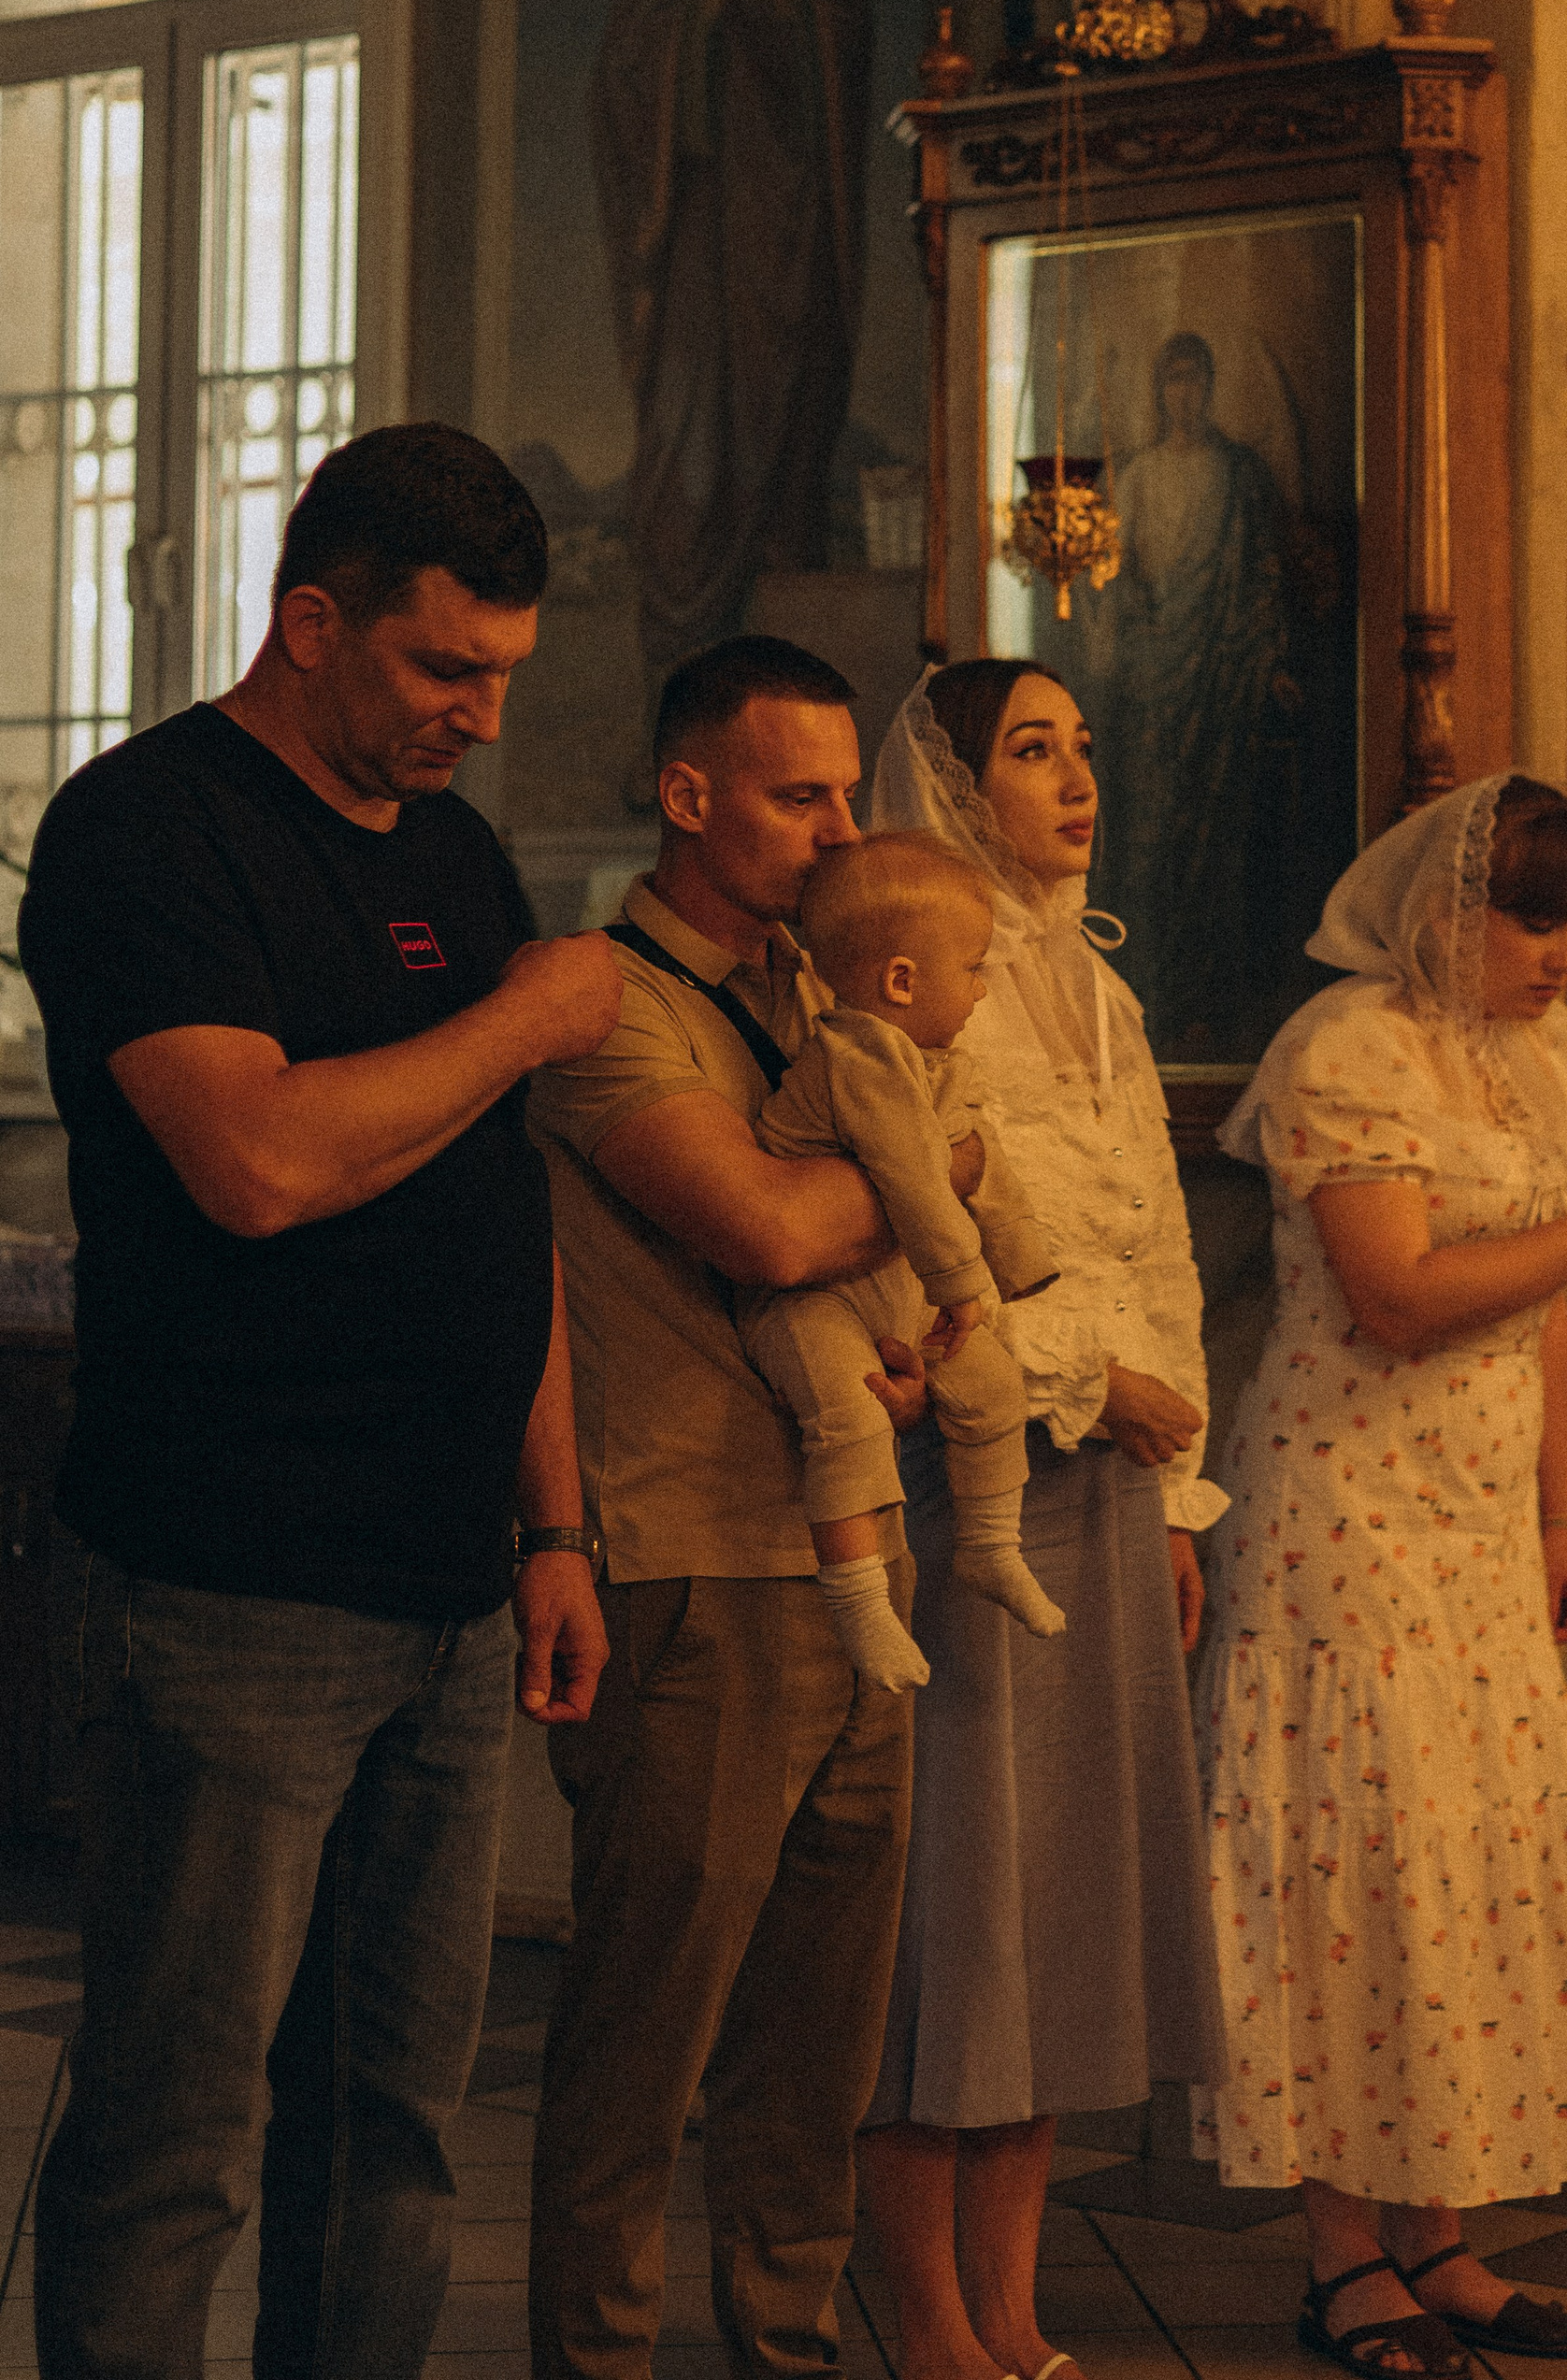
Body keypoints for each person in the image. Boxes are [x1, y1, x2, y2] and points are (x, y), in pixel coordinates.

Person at [17, 423, 623, 2380]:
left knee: (392, 2136)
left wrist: (554, 1525)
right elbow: (256, 1163)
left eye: (505, 674)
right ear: (310, 624)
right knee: (176, 2133)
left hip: (454, 1587)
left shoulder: (450, 852)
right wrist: (519, 1017)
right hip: (232, 1588)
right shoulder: (147, 829)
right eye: (448, 667)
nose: (482, 716)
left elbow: (503, 1215)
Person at [1197, 771, 1567, 2375]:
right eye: (1533, 922)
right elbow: (1396, 1295)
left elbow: (1539, 1319)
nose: (1563, 956)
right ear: (1447, 909)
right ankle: (1346, 2257)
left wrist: (1559, 1518)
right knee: (1355, 1872)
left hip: (1477, 1520)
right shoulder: (1349, 1049)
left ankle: (1441, 2237)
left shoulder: (1548, 1056)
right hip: (1345, 1511)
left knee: (1463, 1872)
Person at [526, 638, 962, 2380]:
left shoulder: (820, 990)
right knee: (648, 2035)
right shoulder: (603, 1001)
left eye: (850, 794)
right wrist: (936, 1180)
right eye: (801, 797)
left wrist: (914, 1312)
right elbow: (770, 1231)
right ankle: (598, 2361)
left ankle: (788, 2343)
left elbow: (875, 1245)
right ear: (687, 795)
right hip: (690, 1555)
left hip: (857, 1546)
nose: (844, 832)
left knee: (819, 2034)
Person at [858, 658, 1227, 2380]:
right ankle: (922, 2308)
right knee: (956, 1914)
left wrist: (1179, 1497)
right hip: (971, 1496)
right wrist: (1099, 1382)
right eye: (1031, 751)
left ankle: (1011, 2305)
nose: (1077, 778)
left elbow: (1159, 1249)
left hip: (1112, 1492)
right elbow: (924, 1277)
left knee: (1065, 1910)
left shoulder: (1101, 992)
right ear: (953, 787)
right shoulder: (913, 992)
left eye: (1082, 746)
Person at [596, 0, 870, 738]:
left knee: (784, 415)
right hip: (698, 214)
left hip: (786, 209)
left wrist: (778, 6)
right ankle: (674, 696)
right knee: (686, 440)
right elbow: (624, 66)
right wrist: (705, 14)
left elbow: (843, 23)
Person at [741, 829, 1063, 1692]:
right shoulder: (862, 1055)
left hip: (888, 1283)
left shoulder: (932, 1059)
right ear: (901, 982)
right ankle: (859, 1601)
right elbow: (918, 1177)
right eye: (974, 968)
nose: (983, 987)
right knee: (846, 1420)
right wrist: (962, 1283)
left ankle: (990, 1546)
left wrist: (1019, 1265)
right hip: (813, 1296)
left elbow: (980, 1162)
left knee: (992, 1387)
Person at [1102, 330, 1299, 1060]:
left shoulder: (1236, 474)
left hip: (1220, 686)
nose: (1183, 394)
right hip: (1153, 691)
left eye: (1195, 380)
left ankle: (1211, 1005)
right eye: (1172, 380)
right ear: (1158, 391)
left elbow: (1262, 579)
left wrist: (1271, 661)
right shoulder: (1138, 477)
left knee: (1217, 844)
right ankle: (1150, 998)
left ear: (1209, 388)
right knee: (1151, 842)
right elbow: (1112, 580)